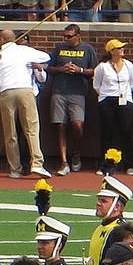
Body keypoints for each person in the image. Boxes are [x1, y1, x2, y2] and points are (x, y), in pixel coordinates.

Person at [0, 29, 52, 179]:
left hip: (6, 92)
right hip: (25, 90)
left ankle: (15, 169)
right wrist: (32, 62)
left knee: (10, 132)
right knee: (31, 128)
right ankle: (37, 163)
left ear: (1, 40)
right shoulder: (24, 50)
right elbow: (46, 57)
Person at [46, 24, 96, 176]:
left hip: (78, 92)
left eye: (69, 36)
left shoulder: (87, 49)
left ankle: (76, 153)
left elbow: (95, 70)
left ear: (78, 36)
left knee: (77, 125)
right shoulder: (59, 48)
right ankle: (63, 162)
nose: (66, 39)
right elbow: (49, 68)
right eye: (65, 36)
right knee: (60, 125)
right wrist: (62, 69)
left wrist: (79, 70)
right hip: (59, 90)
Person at [92, 39, 133, 169]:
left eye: (122, 48)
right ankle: (105, 165)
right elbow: (97, 85)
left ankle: (129, 164)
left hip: (125, 100)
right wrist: (106, 94)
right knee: (107, 133)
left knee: (126, 132)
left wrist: (124, 94)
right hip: (107, 100)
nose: (122, 50)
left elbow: (132, 83)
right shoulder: (102, 67)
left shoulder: (129, 65)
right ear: (111, 51)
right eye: (118, 48)